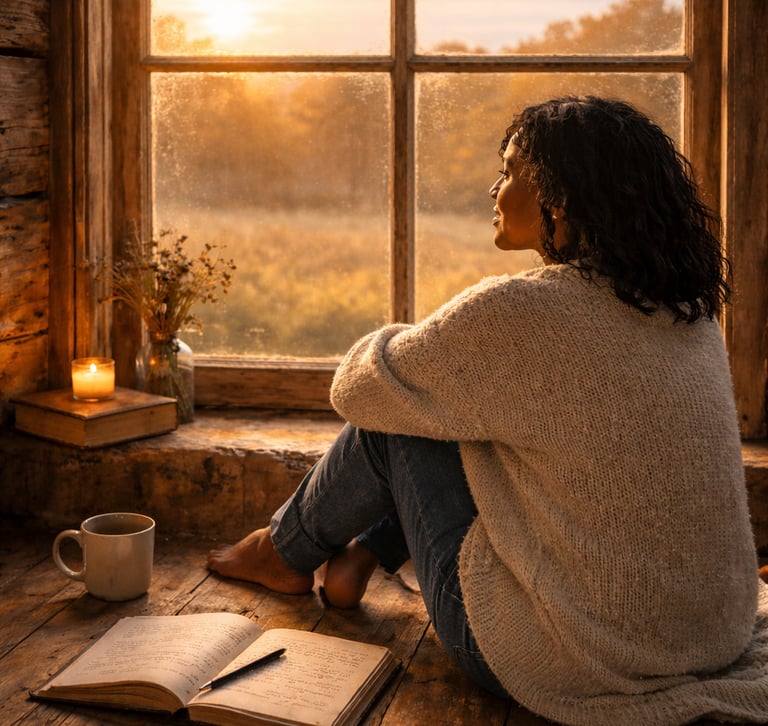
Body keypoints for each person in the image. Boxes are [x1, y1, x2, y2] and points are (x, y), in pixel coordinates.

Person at [207, 96, 768, 725]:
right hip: (712, 637)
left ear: (559, 198)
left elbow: (357, 389)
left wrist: (407, 339)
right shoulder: (688, 313)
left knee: (404, 413)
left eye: (508, 172)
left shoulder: (523, 313)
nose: (494, 189)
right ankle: (362, 553)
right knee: (470, 410)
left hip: (570, 659)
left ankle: (281, 551)